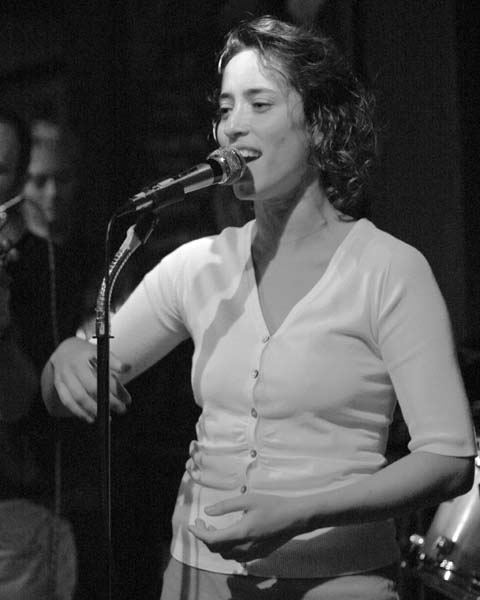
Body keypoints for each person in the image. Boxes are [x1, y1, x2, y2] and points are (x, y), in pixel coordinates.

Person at [41, 16, 476, 600]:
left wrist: (299, 513)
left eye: (259, 104)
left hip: (337, 579)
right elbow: (74, 382)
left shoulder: (388, 270)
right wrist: (66, 359)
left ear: (319, 125)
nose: (233, 126)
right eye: (225, 109)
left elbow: (449, 460)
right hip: (197, 574)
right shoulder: (200, 266)